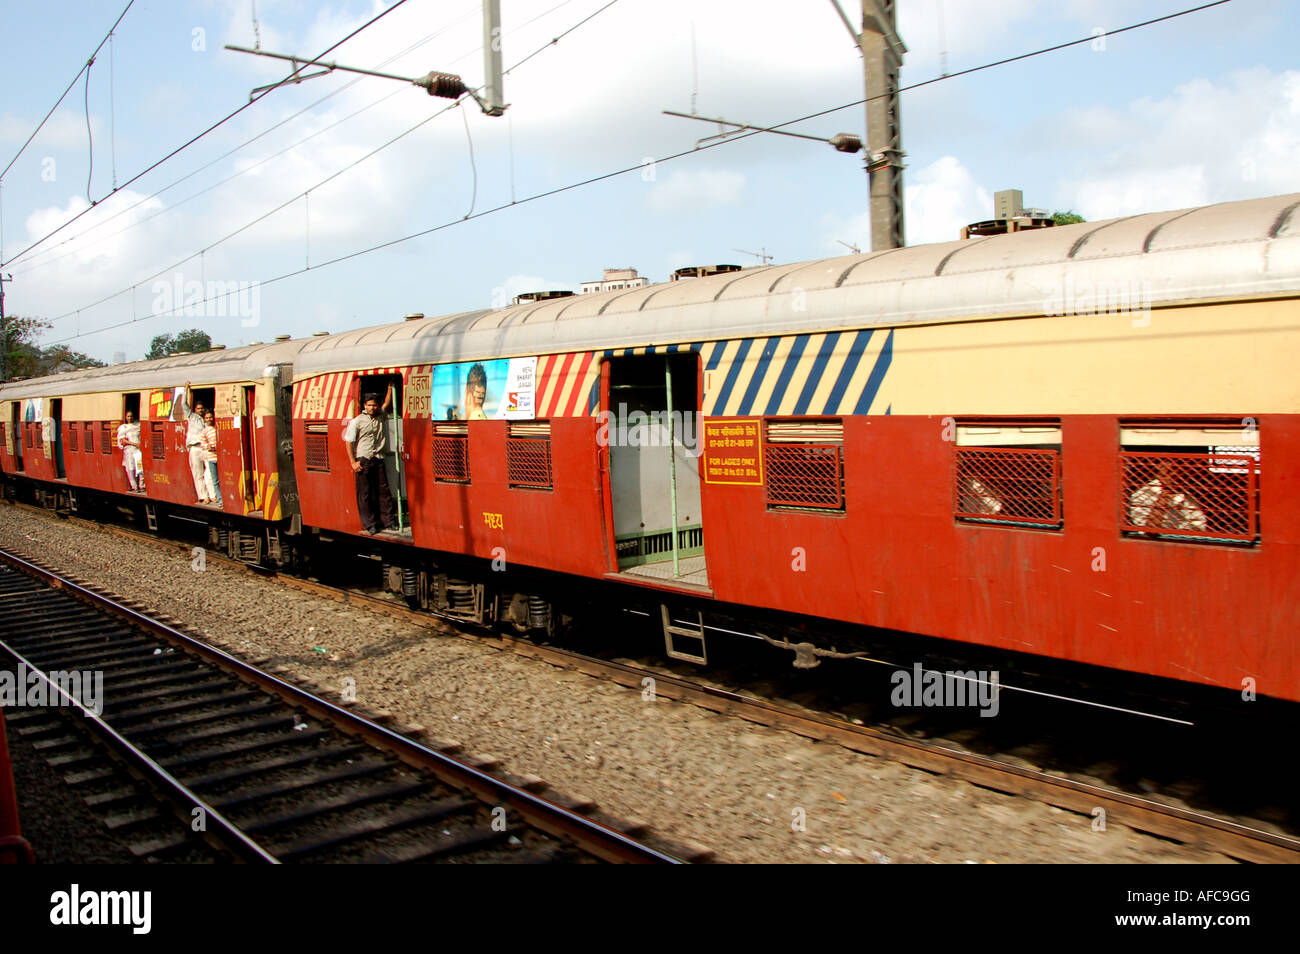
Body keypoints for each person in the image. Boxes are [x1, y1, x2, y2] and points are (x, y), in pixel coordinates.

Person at [344, 385, 397, 534]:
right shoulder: (357, 421)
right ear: (364, 406)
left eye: (374, 405)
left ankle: (388, 521)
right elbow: (348, 441)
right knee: (365, 494)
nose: (372, 408)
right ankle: (370, 524)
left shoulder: (381, 415)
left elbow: (387, 403)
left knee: (383, 491)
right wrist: (353, 462)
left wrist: (389, 387)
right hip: (363, 459)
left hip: (378, 458)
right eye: (369, 405)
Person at [1128, 460, 1208, 532]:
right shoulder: (1142, 495)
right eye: (1167, 470)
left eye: (1175, 469)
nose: (1173, 473)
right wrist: (1164, 494)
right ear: (1158, 471)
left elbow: (1199, 525)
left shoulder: (1187, 494)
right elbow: (1148, 530)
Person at [178, 382, 209, 503]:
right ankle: (203, 496)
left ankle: (211, 495)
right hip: (195, 448)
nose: (200, 410)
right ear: (195, 409)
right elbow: (184, 404)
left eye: (202, 408)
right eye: (198, 408)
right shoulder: (192, 417)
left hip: (204, 448)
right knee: (198, 473)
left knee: (208, 473)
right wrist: (186, 390)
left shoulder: (206, 420)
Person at [116, 411, 143, 491]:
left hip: (138, 450)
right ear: (126, 417)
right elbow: (122, 440)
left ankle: (141, 485)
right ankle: (134, 486)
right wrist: (134, 444)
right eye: (128, 416)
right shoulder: (123, 427)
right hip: (129, 450)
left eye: (131, 416)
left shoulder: (138, 425)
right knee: (131, 468)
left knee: (140, 466)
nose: (130, 418)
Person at [201, 410, 223, 507]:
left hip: (219, 457)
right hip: (211, 458)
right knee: (215, 480)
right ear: (204, 419)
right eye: (207, 418)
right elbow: (202, 443)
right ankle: (220, 500)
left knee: (221, 479)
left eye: (210, 417)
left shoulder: (216, 428)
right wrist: (207, 446)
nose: (209, 419)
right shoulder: (205, 431)